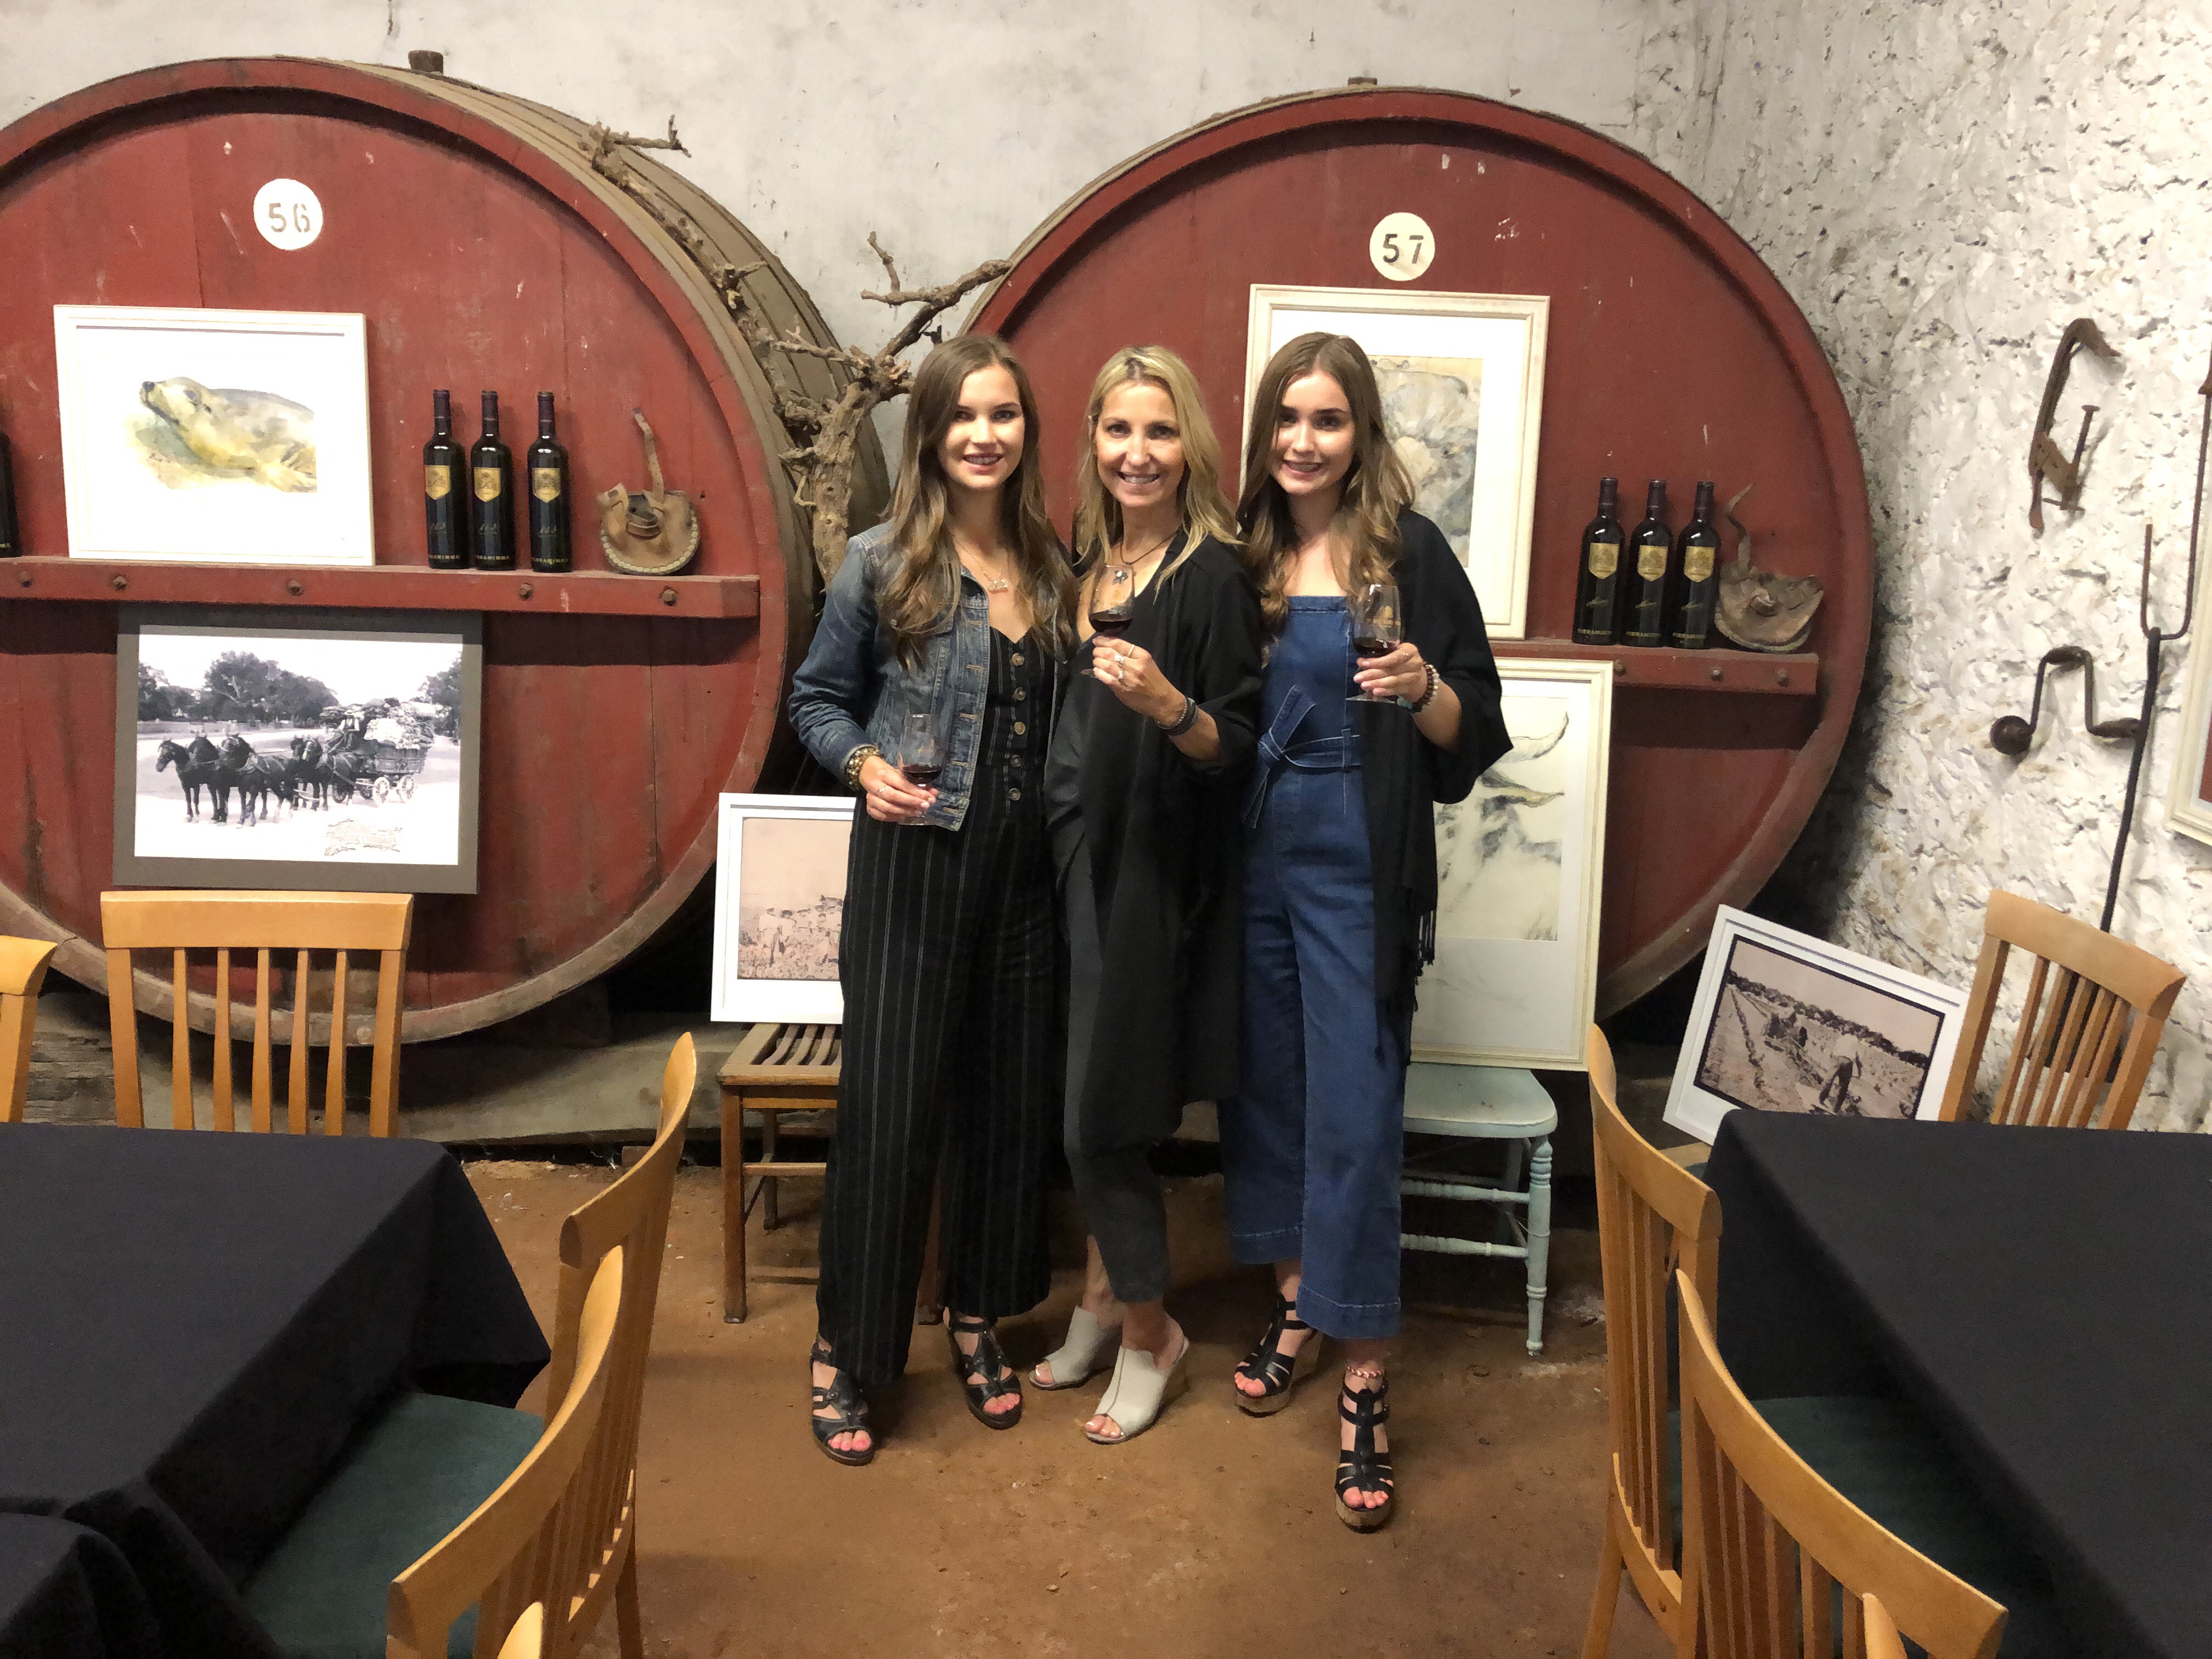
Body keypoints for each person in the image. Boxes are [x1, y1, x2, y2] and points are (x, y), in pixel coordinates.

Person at [1218, 332, 1510, 1530]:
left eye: (1328, 420)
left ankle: (1366, 1378)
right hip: (1249, 860)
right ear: (1262, 433)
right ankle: (1300, 1303)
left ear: (1362, 435)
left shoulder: (1411, 554)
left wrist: (1422, 690)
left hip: (1357, 867)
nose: (1304, 440)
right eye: (1287, 419)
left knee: (1358, 1111)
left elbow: (1477, 725)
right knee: (1268, 1096)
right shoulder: (1238, 555)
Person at [786, 333, 1076, 1466]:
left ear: (1026, 431)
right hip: (913, 869)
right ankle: (848, 1348)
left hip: (1025, 879)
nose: (984, 435)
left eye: (1003, 414)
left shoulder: (1052, 567)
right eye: (963, 415)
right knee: (890, 1117)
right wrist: (864, 766)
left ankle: (976, 1317)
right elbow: (816, 702)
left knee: (1008, 1113)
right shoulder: (880, 560)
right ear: (931, 433)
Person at [1025, 346, 1263, 1444]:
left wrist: (1172, 704)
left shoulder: (1210, 577)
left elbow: (1237, 746)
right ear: (1093, 443)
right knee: (1073, 1097)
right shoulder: (1089, 563)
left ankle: (1151, 1333)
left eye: (1160, 432)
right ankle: (1098, 1300)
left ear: (1191, 446)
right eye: (1119, 431)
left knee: (1103, 1117)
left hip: (1146, 879)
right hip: (1069, 863)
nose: (1138, 453)